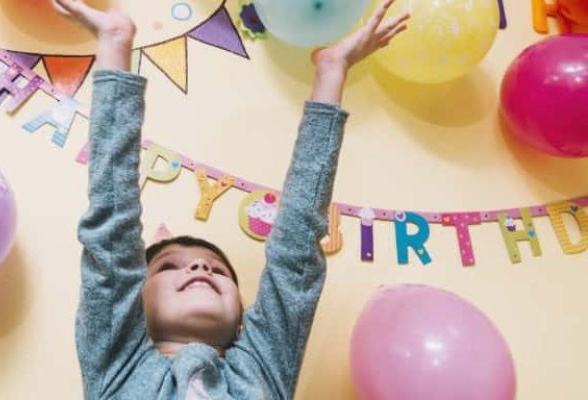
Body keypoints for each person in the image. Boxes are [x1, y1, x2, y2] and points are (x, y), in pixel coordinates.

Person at [54, 0, 409, 398]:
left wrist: (332, 72)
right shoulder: (117, 365)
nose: (203, 266)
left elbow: (295, 256)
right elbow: (112, 224)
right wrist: (114, 44)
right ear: (133, 299)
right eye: (168, 266)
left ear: (243, 315)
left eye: (220, 272)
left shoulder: (261, 365)